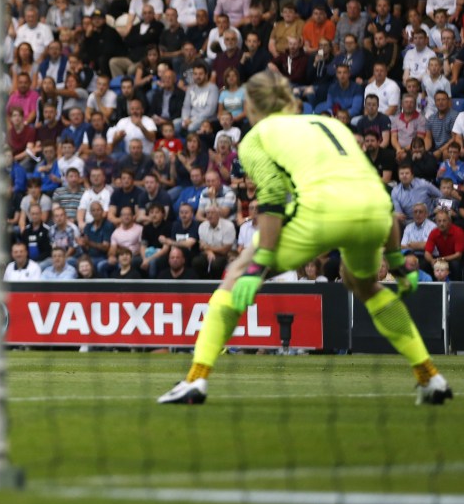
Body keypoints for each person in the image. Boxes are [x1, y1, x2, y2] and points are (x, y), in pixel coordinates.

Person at [159, 69, 452, 405]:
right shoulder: (332, 125)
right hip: (375, 212)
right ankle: (429, 376)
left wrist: (258, 266)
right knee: (366, 286)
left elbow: (270, 198)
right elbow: (374, 192)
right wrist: (397, 265)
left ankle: (196, 380)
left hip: (321, 212)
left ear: (252, 106)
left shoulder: (257, 136)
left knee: (236, 273)